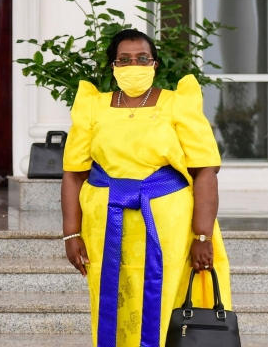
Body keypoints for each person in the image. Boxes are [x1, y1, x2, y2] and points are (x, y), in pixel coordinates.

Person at [61, 29, 232, 347]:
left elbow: (205, 170)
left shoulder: (177, 103)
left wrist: (202, 235)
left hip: (168, 222)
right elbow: (73, 173)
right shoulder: (92, 106)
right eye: (124, 59)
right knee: (111, 301)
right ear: (112, 65)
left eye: (142, 58)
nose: (133, 65)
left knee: (167, 298)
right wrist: (72, 234)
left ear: (154, 64)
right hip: (106, 225)